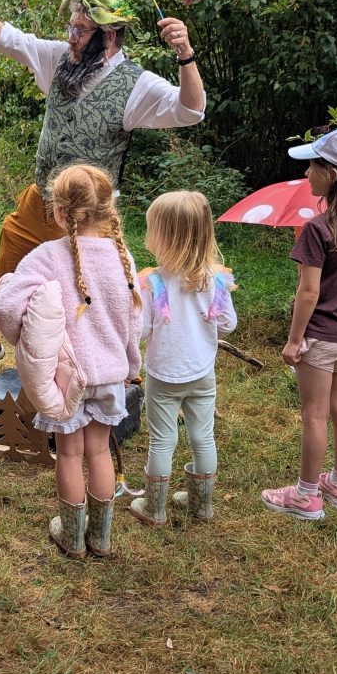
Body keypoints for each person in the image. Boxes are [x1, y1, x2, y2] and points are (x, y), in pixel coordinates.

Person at [0, 0, 205, 378]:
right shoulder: (58, 61)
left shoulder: (137, 86)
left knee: (97, 291)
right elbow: (1, 35)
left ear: (110, 36)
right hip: (40, 203)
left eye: (81, 30)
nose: (71, 37)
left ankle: (115, 366)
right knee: (3, 275)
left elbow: (191, 110)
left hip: (91, 218)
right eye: (71, 27)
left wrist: (185, 55)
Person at [0, 164, 142, 559]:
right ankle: (102, 538)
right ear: (110, 210)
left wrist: (21, 338)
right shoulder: (123, 258)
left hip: (65, 380)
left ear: (58, 213)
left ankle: (73, 538)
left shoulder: (45, 257)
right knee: (99, 451)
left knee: (70, 454)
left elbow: (7, 307)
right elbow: (134, 322)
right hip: (111, 377)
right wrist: (132, 367)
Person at [262, 126, 337, 521]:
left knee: (314, 414)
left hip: (322, 337)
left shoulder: (318, 228)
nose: (306, 174)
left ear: (331, 175)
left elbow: (308, 293)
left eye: (312, 166)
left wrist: (294, 340)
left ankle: (306, 495)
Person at [129, 191, 237, 526]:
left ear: (163, 236)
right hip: (202, 373)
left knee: (162, 440)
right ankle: (202, 506)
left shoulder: (153, 282)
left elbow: (141, 330)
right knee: (202, 436)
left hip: (163, 375)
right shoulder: (216, 279)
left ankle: (154, 508)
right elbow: (228, 325)